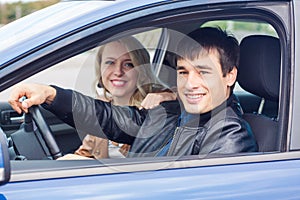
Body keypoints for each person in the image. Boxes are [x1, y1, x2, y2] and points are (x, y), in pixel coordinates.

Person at [9, 27, 258, 158]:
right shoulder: (170, 111)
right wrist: (50, 94)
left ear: (229, 76)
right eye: (183, 72)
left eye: (203, 72)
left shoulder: (228, 135)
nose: (190, 83)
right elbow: (107, 117)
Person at [68, 36, 176, 159]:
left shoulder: (155, 105)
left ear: (141, 70)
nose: (118, 72)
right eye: (110, 63)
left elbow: (188, 97)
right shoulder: (103, 108)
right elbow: (85, 154)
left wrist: (170, 95)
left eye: (128, 64)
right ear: (100, 68)